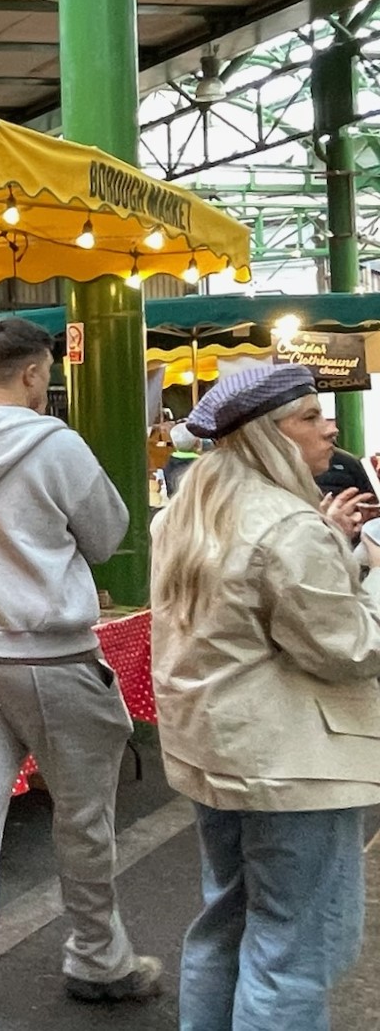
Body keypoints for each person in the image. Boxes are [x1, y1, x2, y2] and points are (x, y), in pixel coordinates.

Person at [0, 315, 159, 1012]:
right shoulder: (57, 446)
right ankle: (98, 956)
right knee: (81, 813)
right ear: (35, 373)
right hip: (50, 653)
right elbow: (107, 537)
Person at [152, 366, 380, 1031]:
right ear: (268, 436)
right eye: (309, 415)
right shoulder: (287, 523)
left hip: (215, 749)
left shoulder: (193, 506)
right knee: (295, 951)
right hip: (294, 766)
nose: (328, 426)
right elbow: (349, 648)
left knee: (225, 922)